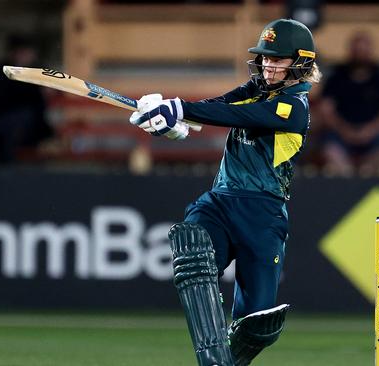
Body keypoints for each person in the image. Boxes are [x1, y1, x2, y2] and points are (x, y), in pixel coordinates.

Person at [129, 19, 321, 366]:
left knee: (256, 326)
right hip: (221, 200)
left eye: (278, 59)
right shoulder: (256, 87)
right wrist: (175, 123)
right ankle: (211, 359)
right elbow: (217, 106)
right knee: (194, 250)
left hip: (262, 214)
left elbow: (239, 115)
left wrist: (179, 108)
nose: (268, 65)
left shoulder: (294, 107)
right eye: (266, 58)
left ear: (301, 63)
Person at [318, 31, 379, 174]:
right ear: (350, 51)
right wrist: (344, 130)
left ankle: (365, 180)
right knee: (329, 148)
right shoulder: (337, 78)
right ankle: (347, 183)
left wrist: (370, 131)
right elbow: (326, 110)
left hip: (375, 134)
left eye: (364, 50)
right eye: (357, 50)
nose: (360, 54)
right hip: (340, 133)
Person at [0, 34, 52, 163]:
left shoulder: (36, 75)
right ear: (12, 53)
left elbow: (38, 109)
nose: (25, 56)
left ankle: (6, 156)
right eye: (22, 52)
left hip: (25, 129)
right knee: (13, 124)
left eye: (27, 53)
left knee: (19, 120)